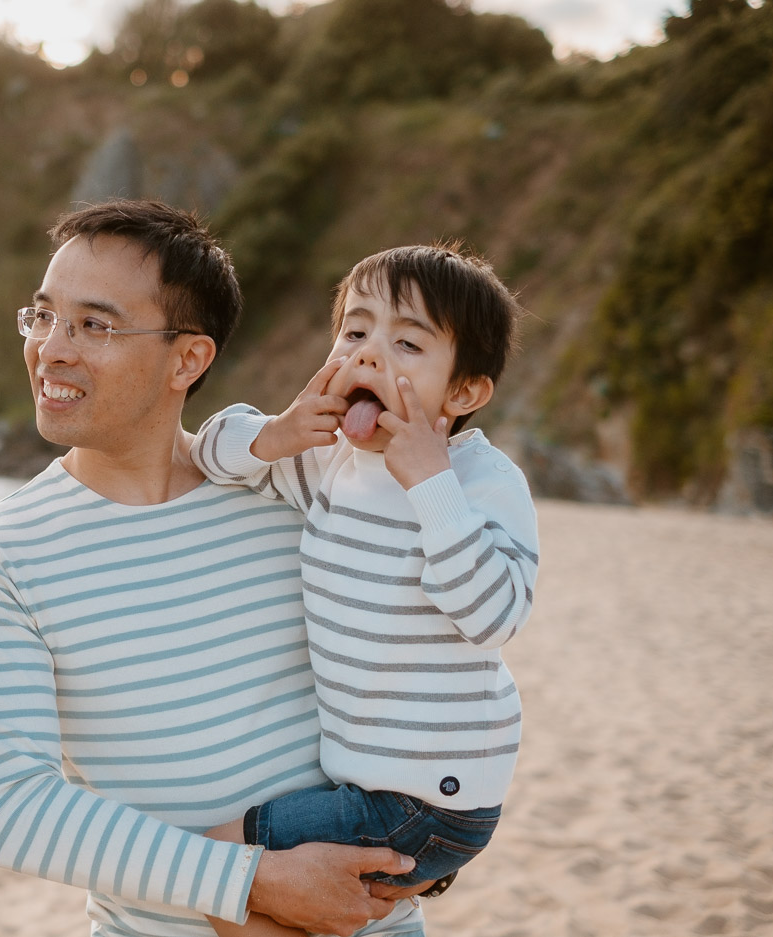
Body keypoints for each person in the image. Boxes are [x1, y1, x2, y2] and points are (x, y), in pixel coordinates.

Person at [0, 200, 428, 937]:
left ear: (188, 359)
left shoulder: (294, 490)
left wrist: (434, 845)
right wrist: (252, 881)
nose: (51, 349)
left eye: (93, 325)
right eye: (42, 316)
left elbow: (418, 674)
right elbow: (16, 809)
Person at [190, 244, 540, 937]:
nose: (370, 354)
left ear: (465, 391)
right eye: (355, 331)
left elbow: (494, 614)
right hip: (373, 786)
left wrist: (429, 481)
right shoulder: (328, 461)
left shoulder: (478, 482)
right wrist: (280, 431)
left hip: (428, 800)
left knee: (213, 865)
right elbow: (208, 450)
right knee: (260, 902)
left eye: (407, 342)